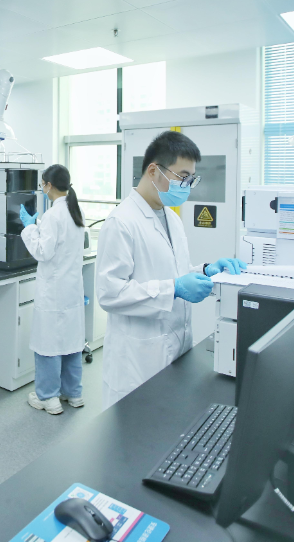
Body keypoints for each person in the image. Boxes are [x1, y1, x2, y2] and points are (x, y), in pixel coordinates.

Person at [95, 131, 247, 409]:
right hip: (138, 362)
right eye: (183, 177)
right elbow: (110, 294)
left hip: (177, 349)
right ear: (154, 171)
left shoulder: (171, 218)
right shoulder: (121, 222)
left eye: (191, 179)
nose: (187, 186)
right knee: (138, 429)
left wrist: (206, 270)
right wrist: (173, 289)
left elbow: (175, 271)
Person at [18, 165, 87, 415]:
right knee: (71, 343)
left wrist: (28, 228)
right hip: (71, 290)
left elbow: (43, 251)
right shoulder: (76, 211)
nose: (42, 188)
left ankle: (48, 398)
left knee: (47, 344)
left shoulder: (53, 215)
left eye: (42, 184)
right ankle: (73, 393)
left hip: (53, 292)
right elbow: (59, 239)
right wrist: (38, 224)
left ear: (48, 185)